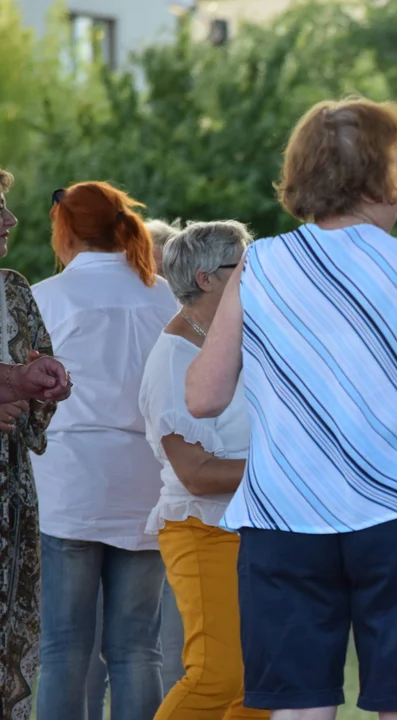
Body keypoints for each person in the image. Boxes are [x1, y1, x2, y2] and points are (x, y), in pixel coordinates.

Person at [185, 96, 397, 719]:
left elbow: (203, 396)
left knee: (298, 707)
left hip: (285, 516)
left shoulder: (261, 265)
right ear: (381, 175)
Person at [31, 181, 178, 720]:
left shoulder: (46, 297)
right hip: (147, 480)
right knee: (139, 648)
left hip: (70, 484)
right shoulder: (164, 295)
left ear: (64, 229)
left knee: (63, 649)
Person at [140, 220, 266, 719]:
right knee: (217, 675)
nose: (255, 274)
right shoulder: (173, 358)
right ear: (207, 278)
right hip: (201, 528)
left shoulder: (238, 337)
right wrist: (286, 468)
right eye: (244, 265)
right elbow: (196, 473)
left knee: (263, 682)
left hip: (256, 527)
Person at [0, 166, 63, 720]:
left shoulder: (13, 287)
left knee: (10, 639)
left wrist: (48, 381)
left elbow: (36, 366)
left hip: (11, 494)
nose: (10, 218)